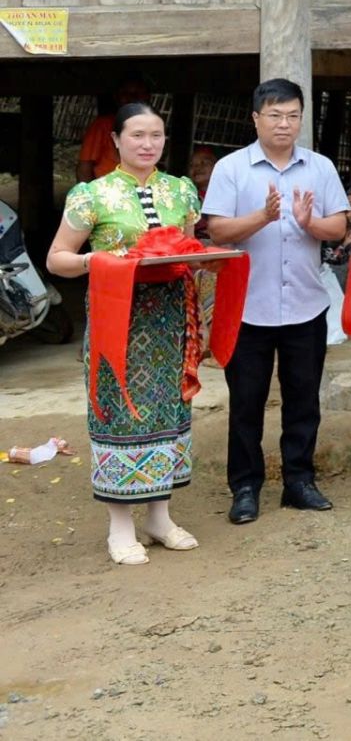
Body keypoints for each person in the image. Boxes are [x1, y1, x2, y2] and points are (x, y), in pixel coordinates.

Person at [44, 103, 202, 564]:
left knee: (169, 412)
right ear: (114, 140)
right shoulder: (91, 195)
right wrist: (98, 261)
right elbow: (57, 259)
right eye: (136, 135)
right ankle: (119, 526)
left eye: (156, 135)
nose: (147, 144)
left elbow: (188, 248)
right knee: (117, 412)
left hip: (170, 318)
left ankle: (159, 516)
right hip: (120, 320)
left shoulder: (181, 191)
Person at [203, 79, 351, 525]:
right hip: (248, 307)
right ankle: (246, 487)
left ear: (301, 118)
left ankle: (299, 482)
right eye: (275, 115)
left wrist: (310, 223)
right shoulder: (232, 169)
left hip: (306, 304)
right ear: (256, 119)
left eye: (292, 115)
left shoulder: (320, 167)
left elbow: (340, 228)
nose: (284, 124)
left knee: (303, 400)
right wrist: (262, 217)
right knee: (246, 402)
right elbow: (216, 231)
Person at [77, 79, 149, 182]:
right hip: (107, 192)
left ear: (146, 97)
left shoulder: (151, 127)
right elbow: (84, 169)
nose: (131, 98)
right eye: (125, 94)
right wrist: (87, 196)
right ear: (116, 97)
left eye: (136, 94)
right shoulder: (103, 126)